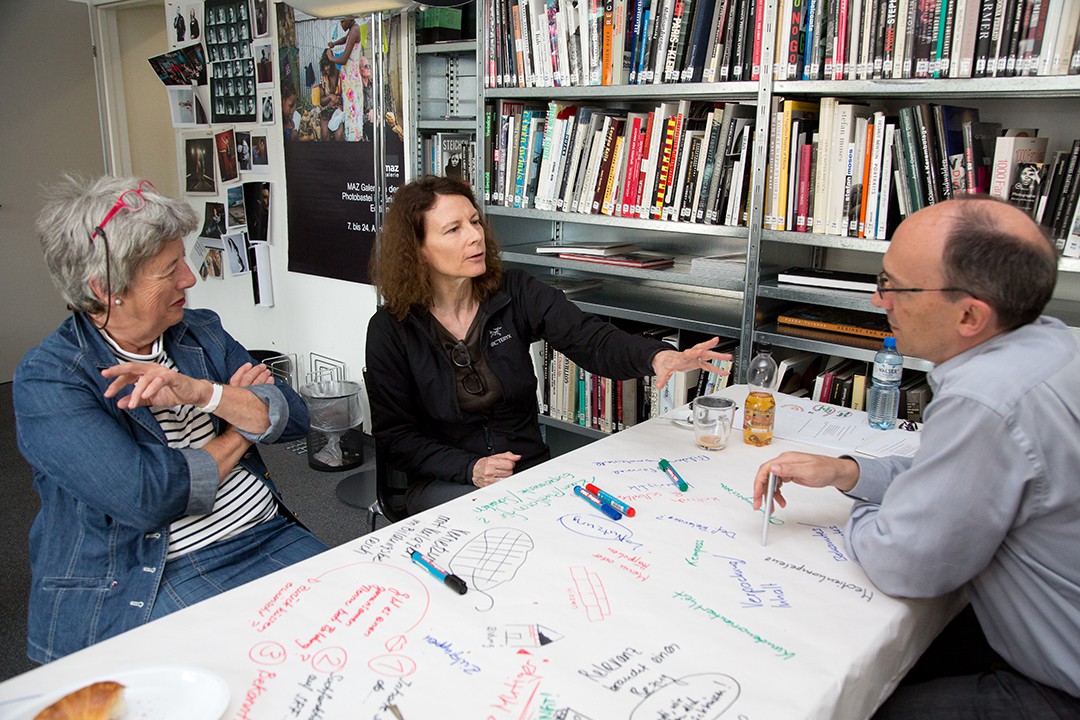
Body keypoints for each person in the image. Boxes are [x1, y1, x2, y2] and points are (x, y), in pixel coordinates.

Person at [752, 196, 1080, 719]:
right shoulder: (1054, 346)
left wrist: (868, 511)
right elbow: (963, 478)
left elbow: (902, 561)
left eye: (894, 286)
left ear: (970, 314)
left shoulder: (986, 399)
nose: (879, 300)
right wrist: (850, 472)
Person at [13, 175, 328, 663]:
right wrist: (239, 424)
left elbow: (293, 417)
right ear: (106, 288)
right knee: (273, 674)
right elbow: (149, 497)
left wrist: (202, 392)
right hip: (158, 571)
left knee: (375, 625)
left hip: (264, 530)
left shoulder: (199, 331)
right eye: (169, 269)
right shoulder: (50, 380)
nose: (190, 278)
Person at [366, 176, 731, 515]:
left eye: (475, 222)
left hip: (528, 471)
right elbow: (396, 437)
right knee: (509, 523)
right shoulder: (390, 329)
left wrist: (656, 356)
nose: (475, 236)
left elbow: (590, 338)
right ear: (418, 250)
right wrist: (470, 468)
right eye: (454, 229)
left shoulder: (515, 291)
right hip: (446, 481)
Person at [326, 17, 363, 141]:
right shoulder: (352, 29)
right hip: (349, 80)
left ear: (350, 19)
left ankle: (353, 139)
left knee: (352, 113)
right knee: (350, 112)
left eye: (343, 21)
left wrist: (331, 58)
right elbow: (345, 39)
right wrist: (335, 43)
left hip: (352, 81)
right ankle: (352, 138)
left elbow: (343, 59)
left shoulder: (355, 30)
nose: (341, 25)